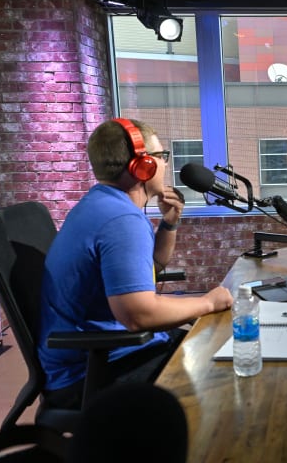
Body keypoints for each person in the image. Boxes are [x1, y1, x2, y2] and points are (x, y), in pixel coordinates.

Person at [38, 118, 233, 410]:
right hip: (96, 373)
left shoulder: (102, 203)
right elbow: (138, 315)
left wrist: (169, 224)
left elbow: (152, 264)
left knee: (211, 342)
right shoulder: (122, 220)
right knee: (226, 372)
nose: (166, 164)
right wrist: (207, 302)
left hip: (100, 357)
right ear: (143, 166)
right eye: (161, 156)